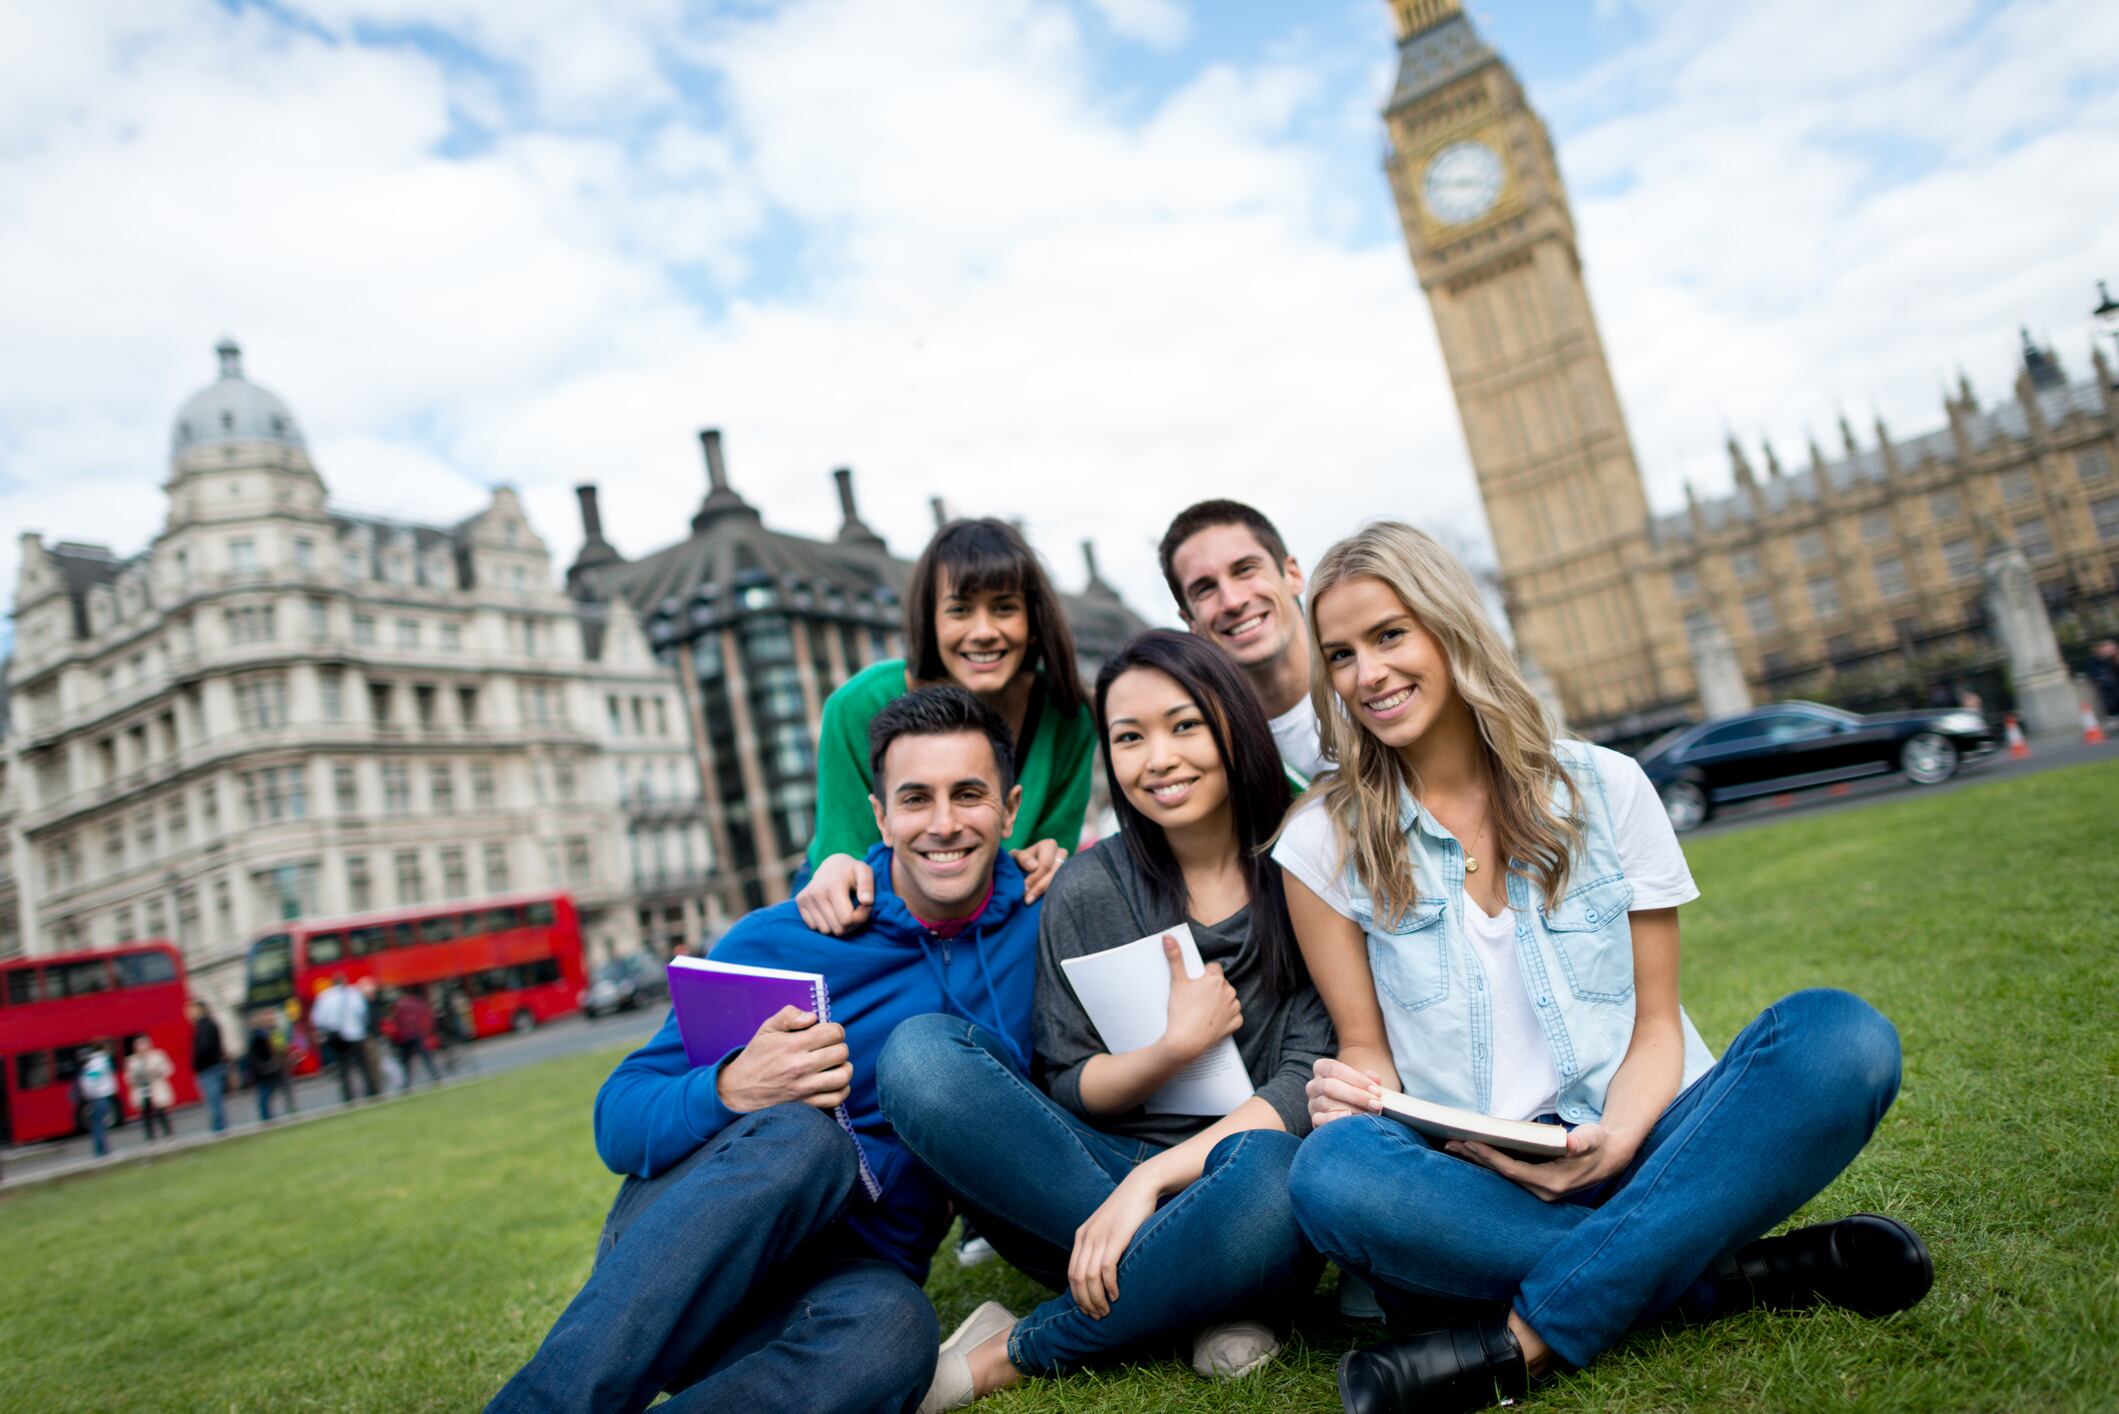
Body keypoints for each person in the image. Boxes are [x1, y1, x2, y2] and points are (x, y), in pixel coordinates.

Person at [1272, 522, 1931, 1414]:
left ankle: (1521, 1340)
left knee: (1840, 1039)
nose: (1367, 674)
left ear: (1449, 628)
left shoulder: (1606, 787)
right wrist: (1353, 1095)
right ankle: (1722, 1274)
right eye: (1341, 655)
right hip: (1474, 1186)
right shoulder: (1321, 841)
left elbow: (1657, 1027)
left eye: (1389, 635)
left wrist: (1615, 1140)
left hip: (1644, 1142)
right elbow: (1367, 1050)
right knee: (1330, 1169)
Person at [487, 687, 1043, 1414]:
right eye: (915, 799)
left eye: (968, 794)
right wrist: (727, 1089)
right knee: (807, 1140)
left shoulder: (1044, 925)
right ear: (880, 816)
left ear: (1009, 807)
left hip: (833, 1291)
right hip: (681, 1261)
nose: (943, 824)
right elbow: (616, 1117)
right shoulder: (780, 940)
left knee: (896, 1331)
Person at [880, 631, 1334, 1408]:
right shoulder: (1090, 886)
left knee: (1275, 1175)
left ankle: (1008, 1352)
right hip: (1086, 1193)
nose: (1158, 759)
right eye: (1129, 738)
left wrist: (1152, 1184)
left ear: (1233, 723)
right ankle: (1204, 1296)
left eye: (1184, 725)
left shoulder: (1306, 864)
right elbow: (1068, 1082)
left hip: (1237, 1184)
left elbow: (1302, 1087)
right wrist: (1171, 1050)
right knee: (919, 1057)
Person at [798, 518, 1096, 935]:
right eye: (960, 610)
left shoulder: (1068, 713)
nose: (984, 632)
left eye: (1004, 608)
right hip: (871, 907)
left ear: (1033, 621)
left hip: (997, 907)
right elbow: (845, 857)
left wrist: (1051, 859)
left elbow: (1048, 855)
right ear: (931, 620)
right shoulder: (857, 705)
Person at [1160, 500, 1328, 786]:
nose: (1233, 601)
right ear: (1190, 622)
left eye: (1245, 570)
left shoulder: (1380, 680)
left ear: (1292, 575)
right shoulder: (1212, 762)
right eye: (1205, 589)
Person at [312, 973, 379, 1103]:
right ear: (345, 981)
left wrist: (330, 1027)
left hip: (337, 1036)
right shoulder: (353, 993)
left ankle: (348, 1096)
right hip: (355, 1034)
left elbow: (318, 1019)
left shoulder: (325, 996)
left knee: (343, 1068)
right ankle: (370, 1091)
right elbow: (362, 1012)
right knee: (363, 1065)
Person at [390, 985, 444, 1090]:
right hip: (417, 1033)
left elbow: (396, 1020)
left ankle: (406, 1083)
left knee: (406, 1061)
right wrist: (428, 1031)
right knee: (426, 1057)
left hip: (406, 1035)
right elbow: (427, 1015)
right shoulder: (417, 1002)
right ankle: (435, 1075)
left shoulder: (399, 1004)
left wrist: (398, 1034)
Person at [188, 999, 229, 1133]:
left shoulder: (204, 1027)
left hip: (208, 1068)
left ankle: (218, 1128)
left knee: (212, 1100)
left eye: (191, 1010)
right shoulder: (209, 1024)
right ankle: (220, 1126)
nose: (188, 1013)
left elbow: (204, 1048)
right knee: (215, 1099)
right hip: (214, 1065)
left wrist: (196, 1064)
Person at [126, 1036, 177, 1142]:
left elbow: (168, 1069)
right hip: (142, 1089)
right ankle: (150, 1139)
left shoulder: (157, 1055)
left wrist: (157, 1071)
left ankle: (169, 1135)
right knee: (146, 1115)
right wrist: (136, 1077)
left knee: (161, 1112)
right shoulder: (132, 1061)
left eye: (143, 1044)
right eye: (139, 1045)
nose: (141, 1047)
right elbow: (129, 1078)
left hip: (156, 1086)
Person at [76, 1041, 119, 1157]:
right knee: (99, 1125)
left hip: (96, 1098)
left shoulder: (93, 1063)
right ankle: (102, 1150)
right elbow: (92, 1081)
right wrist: (93, 1093)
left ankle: (101, 1150)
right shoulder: (99, 1063)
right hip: (99, 1097)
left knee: (98, 1124)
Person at [246, 1010, 289, 1122]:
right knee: (265, 1092)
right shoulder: (258, 1037)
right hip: (263, 1069)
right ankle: (265, 1115)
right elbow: (259, 1054)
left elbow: (278, 1047)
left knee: (267, 1091)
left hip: (265, 1068)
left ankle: (266, 1114)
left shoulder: (263, 1035)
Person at [2089, 638, 2119, 721]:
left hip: (2113, 681)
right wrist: (2097, 679)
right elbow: (2093, 671)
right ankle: (2112, 714)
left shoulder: (2111, 658)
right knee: (2109, 700)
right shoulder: (2096, 660)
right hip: (2106, 683)